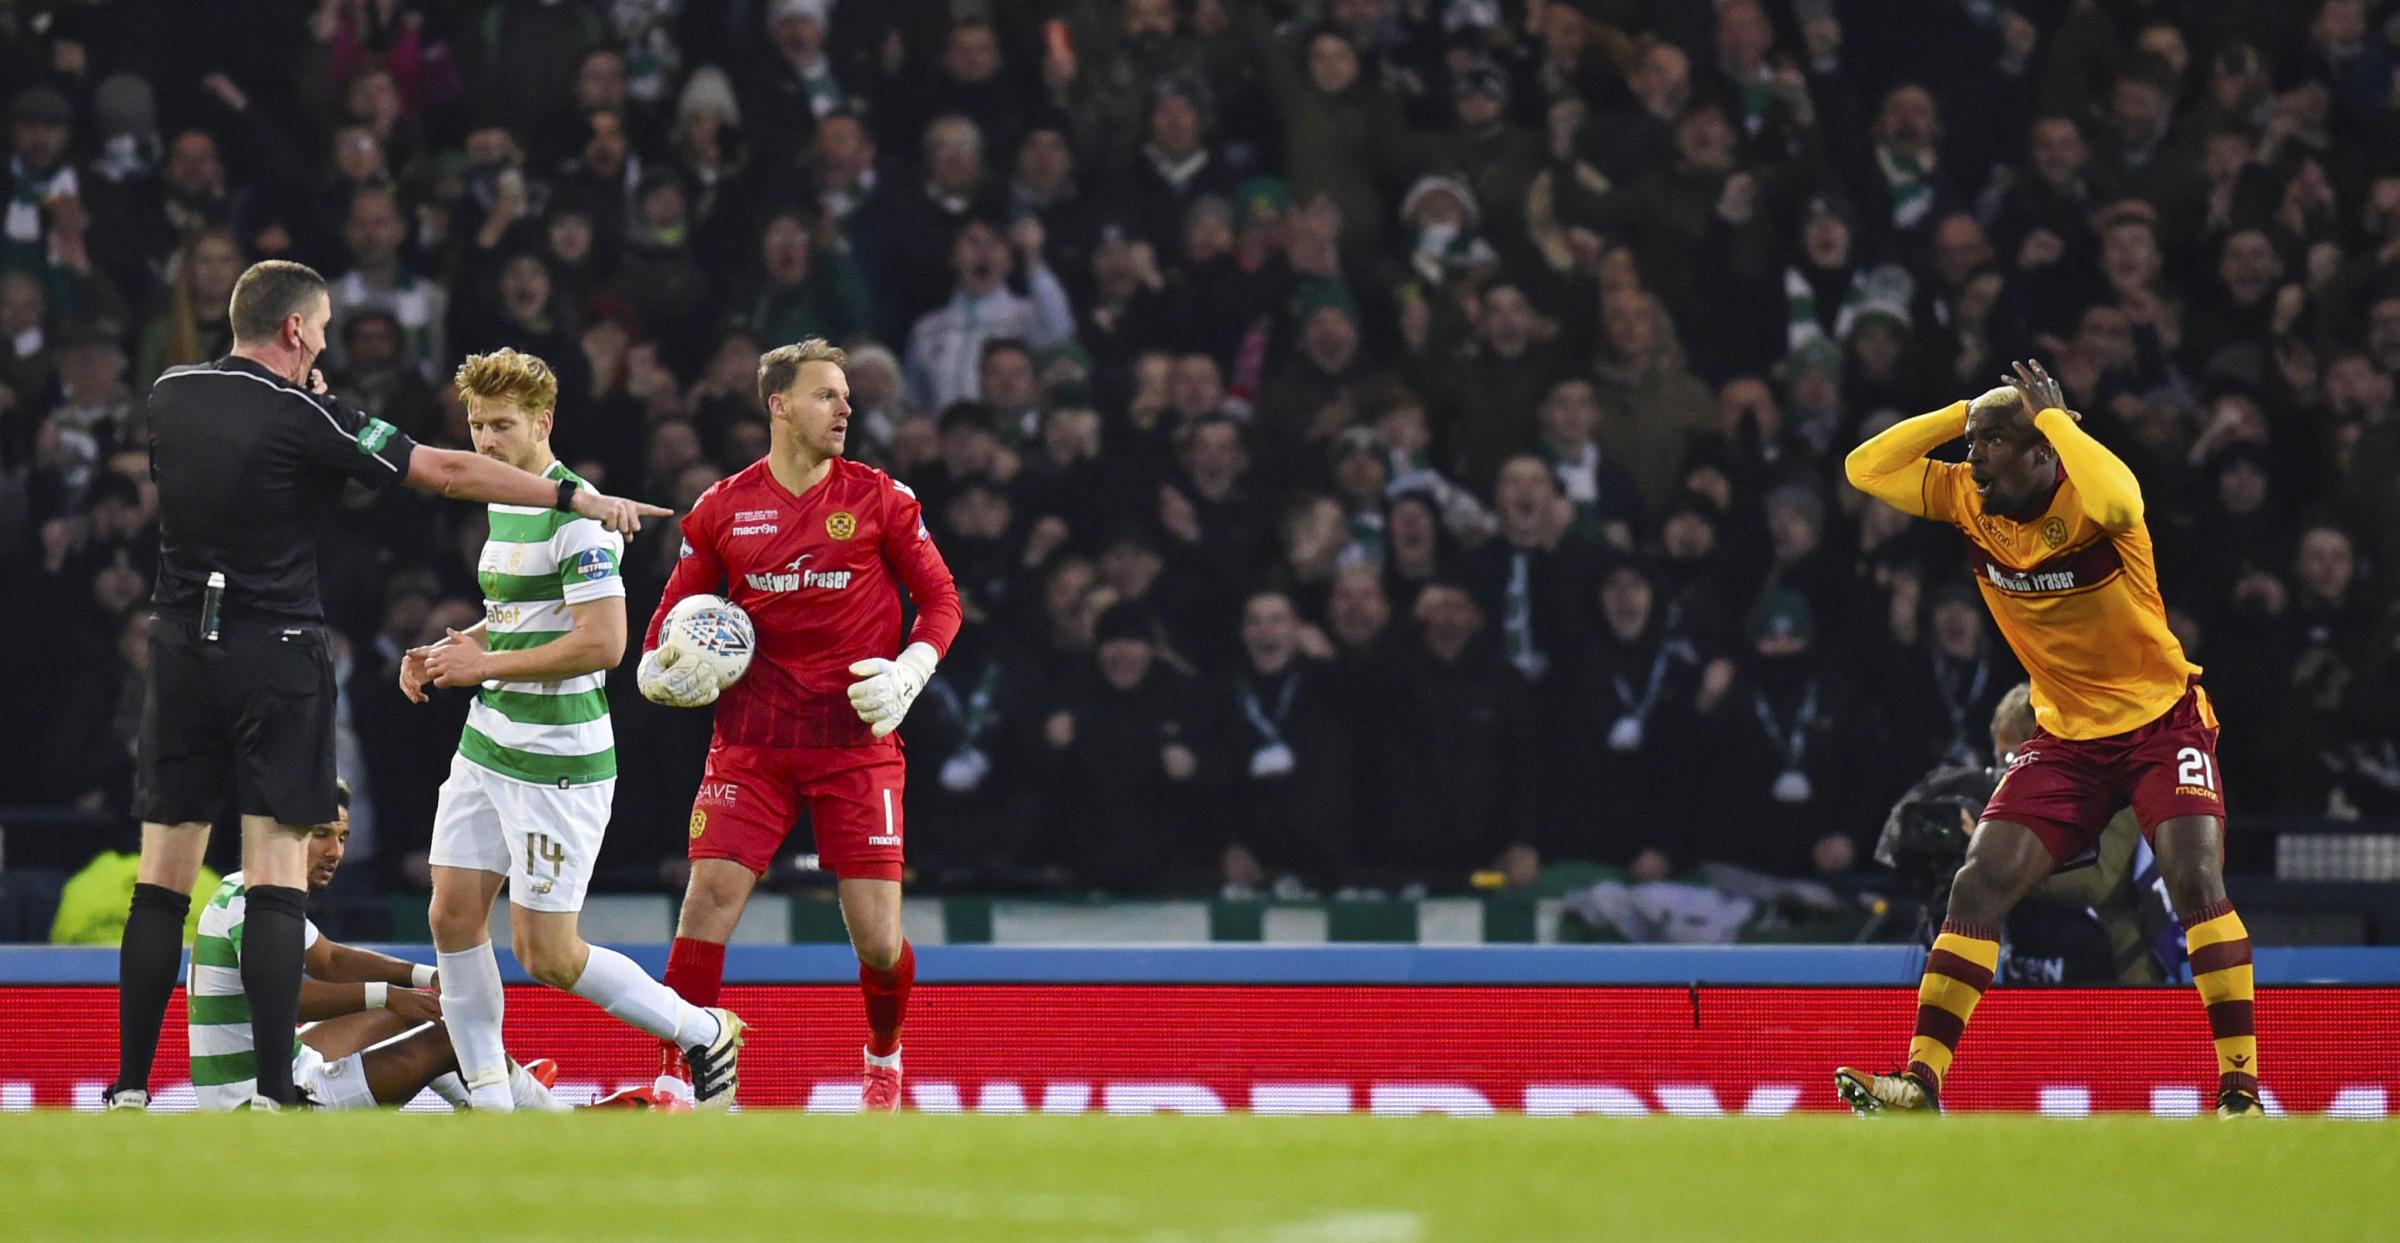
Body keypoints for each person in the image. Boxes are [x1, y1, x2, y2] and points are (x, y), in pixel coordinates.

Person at [111, 260, 667, 1112]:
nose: (325, 343)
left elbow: (248, 447)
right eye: (323, 329)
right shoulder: (312, 410)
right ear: (297, 330)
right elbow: (442, 471)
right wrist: (572, 495)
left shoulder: (169, 391)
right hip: (276, 651)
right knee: (273, 878)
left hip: (181, 647)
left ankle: (125, 1088)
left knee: (160, 883)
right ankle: (270, 1094)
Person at [1836, 360, 2258, 1118]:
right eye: (1973, 443)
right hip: (2065, 736)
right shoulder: (1972, 499)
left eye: (1994, 442)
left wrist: (2056, 418)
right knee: (1977, 882)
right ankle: (1919, 1083)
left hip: (2161, 720)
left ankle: (2239, 1090)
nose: (1974, 457)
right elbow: (1864, 468)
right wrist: (1969, 409)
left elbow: (2123, 498)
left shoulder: (2092, 503)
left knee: (2195, 879)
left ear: (2042, 453)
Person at [397, 349, 745, 1112]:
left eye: (502, 426)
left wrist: (481, 666)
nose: (485, 442)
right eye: (477, 426)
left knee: (546, 952)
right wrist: (455, 648)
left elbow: (603, 643)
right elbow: (521, 619)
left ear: (544, 423)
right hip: (489, 744)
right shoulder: (504, 502)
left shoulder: (580, 519)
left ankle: (701, 1030)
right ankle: (490, 1100)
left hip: (557, 759)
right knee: (451, 912)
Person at [639, 338, 961, 1110]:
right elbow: (664, 626)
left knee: (877, 941)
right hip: (753, 743)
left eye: (847, 395)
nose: (845, 406)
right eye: (826, 395)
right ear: (778, 406)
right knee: (707, 898)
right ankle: (676, 1073)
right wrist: (658, 669)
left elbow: (943, 601)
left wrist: (909, 671)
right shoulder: (721, 508)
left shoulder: (883, 498)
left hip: (857, 742)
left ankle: (883, 1057)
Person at [187, 783, 566, 1112]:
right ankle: (547, 1112)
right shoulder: (251, 903)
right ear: (285, 832)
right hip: (267, 1100)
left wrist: (422, 976)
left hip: (279, 1067)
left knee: (419, 1010)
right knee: (455, 1037)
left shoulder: (249, 887)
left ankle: (495, 1096)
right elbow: (283, 998)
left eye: (343, 837)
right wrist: (386, 996)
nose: (335, 852)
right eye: (321, 834)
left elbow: (330, 961)